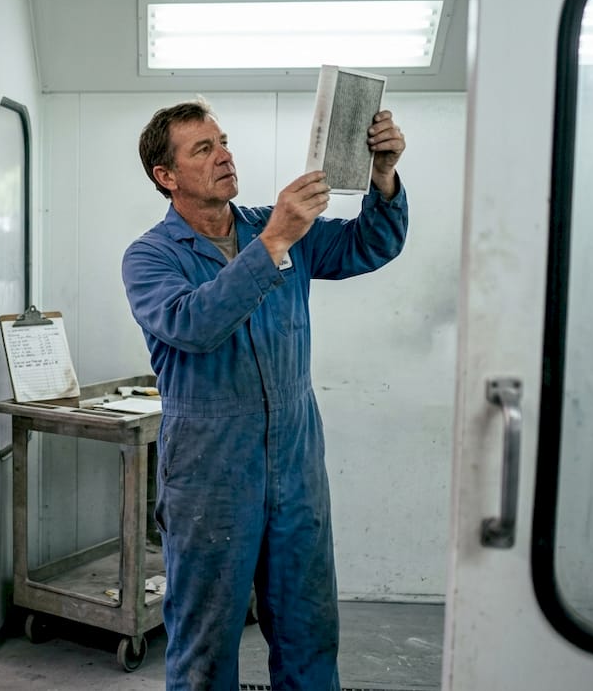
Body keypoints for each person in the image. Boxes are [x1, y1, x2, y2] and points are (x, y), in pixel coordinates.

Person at [121, 99, 408, 690]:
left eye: (223, 142)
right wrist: (274, 241)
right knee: (205, 644)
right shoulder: (150, 257)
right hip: (209, 475)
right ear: (165, 176)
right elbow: (193, 324)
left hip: (296, 468)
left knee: (309, 632)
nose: (224, 155)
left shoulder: (274, 230)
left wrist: (382, 177)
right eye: (203, 148)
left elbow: (369, 245)